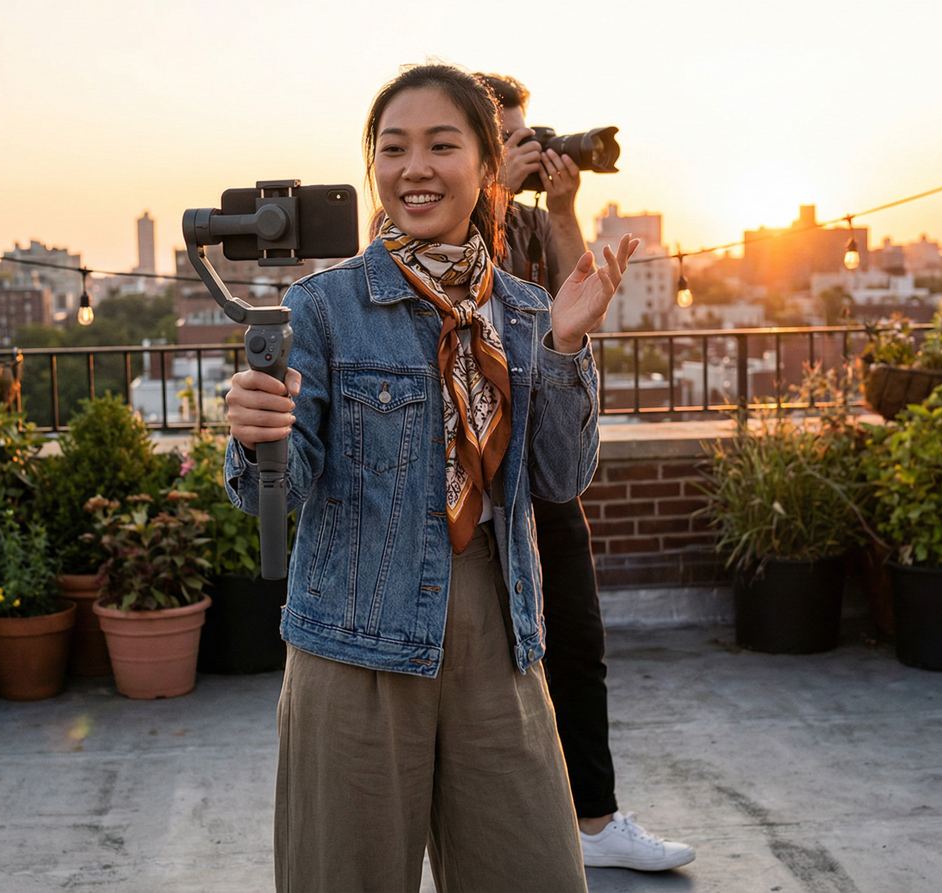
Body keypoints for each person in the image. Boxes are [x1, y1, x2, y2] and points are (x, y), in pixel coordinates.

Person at [224, 63, 639, 892]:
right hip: (353, 636)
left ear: (488, 169)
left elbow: (561, 477)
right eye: (393, 147)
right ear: (373, 166)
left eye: (442, 145)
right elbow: (277, 490)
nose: (415, 167)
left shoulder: (524, 309)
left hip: (499, 625)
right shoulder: (322, 309)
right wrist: (256, 437)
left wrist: (563, 348)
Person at [477, 71, 697, 873]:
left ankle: (595, 823)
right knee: (477, 664)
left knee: (578, 643)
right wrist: (490, 193)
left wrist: (564, 211)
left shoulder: (535, 224)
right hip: (466, 477)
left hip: (540, 461)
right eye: (509, 137)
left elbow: (580, 295)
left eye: (527, 134)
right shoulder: (426, 218)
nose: (530, 150)